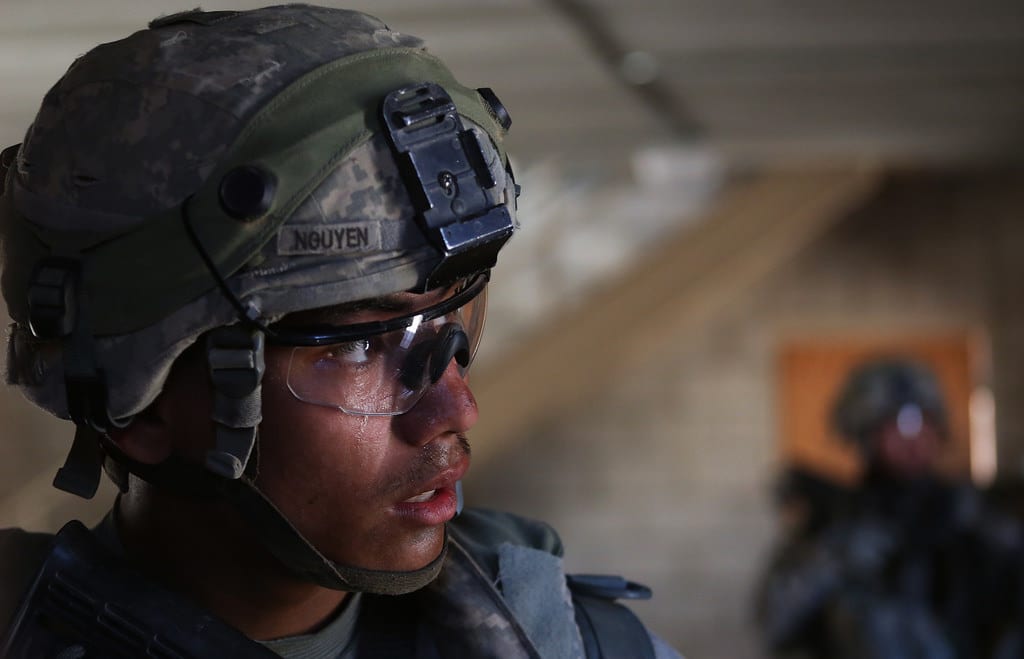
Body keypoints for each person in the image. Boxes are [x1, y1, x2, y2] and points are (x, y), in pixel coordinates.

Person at [0, 6, 681, 657]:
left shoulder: (570, 641)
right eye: (357, 343)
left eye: (448, 319)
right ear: (138, 405)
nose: (455, 410)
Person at [756, 358, 1022, 659]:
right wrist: (834, 560)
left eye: (923, 422)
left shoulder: (975, 516)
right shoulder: (834, 527)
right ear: (865, 435)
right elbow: (773, 624)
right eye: (898, 425)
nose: (913, 439)